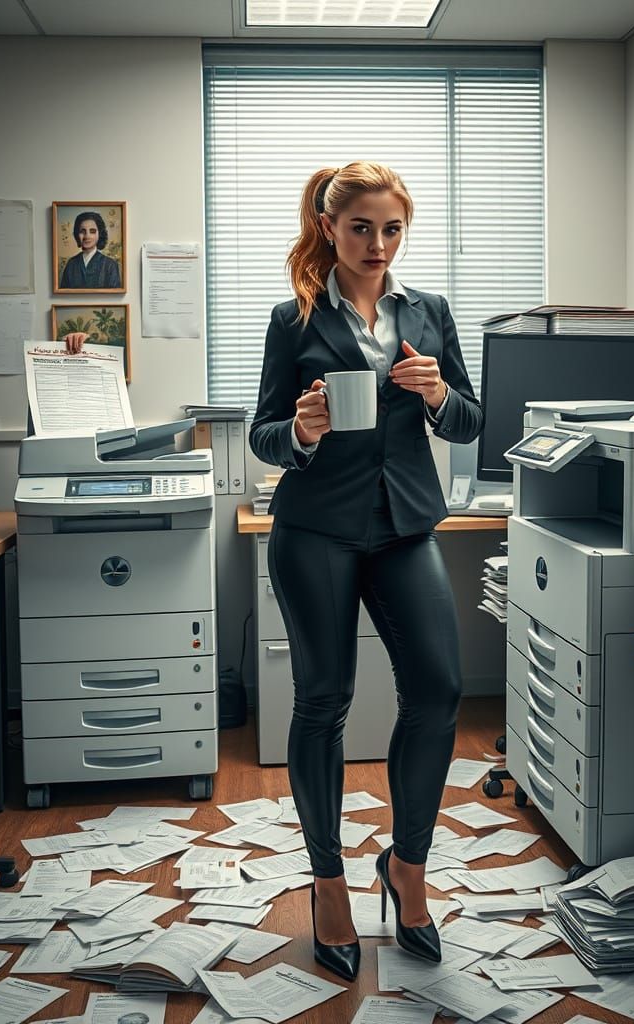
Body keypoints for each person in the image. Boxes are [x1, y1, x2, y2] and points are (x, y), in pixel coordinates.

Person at [249, 161, 483, 982]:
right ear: (329, 228)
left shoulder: (429, 311)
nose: (378, 244)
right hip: (315, 528)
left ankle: (407, 869)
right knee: (323, 701)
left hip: (404, 524)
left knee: (439, 689)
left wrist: (435, 394)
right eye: (361, 228)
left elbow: (469, 416)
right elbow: (263, 432)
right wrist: (304, 428)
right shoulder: (294, 317)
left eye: (391, 229)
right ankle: (327, 884)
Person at [59, 210, 121, 289]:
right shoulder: (71, 264)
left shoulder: (110, 265)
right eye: (82, 231)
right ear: (77, 234)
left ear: (100, 234)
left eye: (92, 231)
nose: (87, 236)